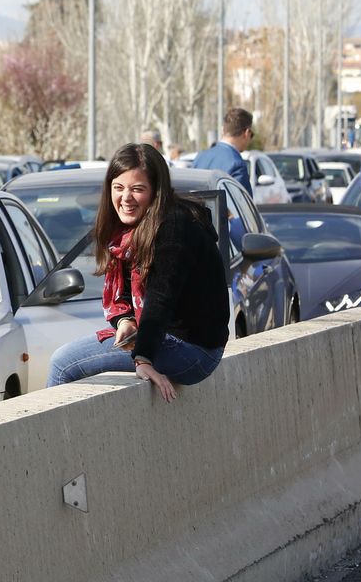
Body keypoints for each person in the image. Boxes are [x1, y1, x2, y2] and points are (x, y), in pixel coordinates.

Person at [46, 143, 228, 401]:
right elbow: (128, 295)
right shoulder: (126, 232)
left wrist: (143, 358)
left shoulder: (174, 226)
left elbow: (161, 297)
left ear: (156, 192)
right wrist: (124, 321)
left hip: (193, 350)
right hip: (167, 340)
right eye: (118, 188)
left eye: (137, 189)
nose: (126, 198)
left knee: (62, 364)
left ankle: (55, 443)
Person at [191, 107, 253, 188]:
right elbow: (240, 200)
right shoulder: (237, 165)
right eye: (251, 135)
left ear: (223, 130)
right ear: (247, 133)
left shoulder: (200, 157)